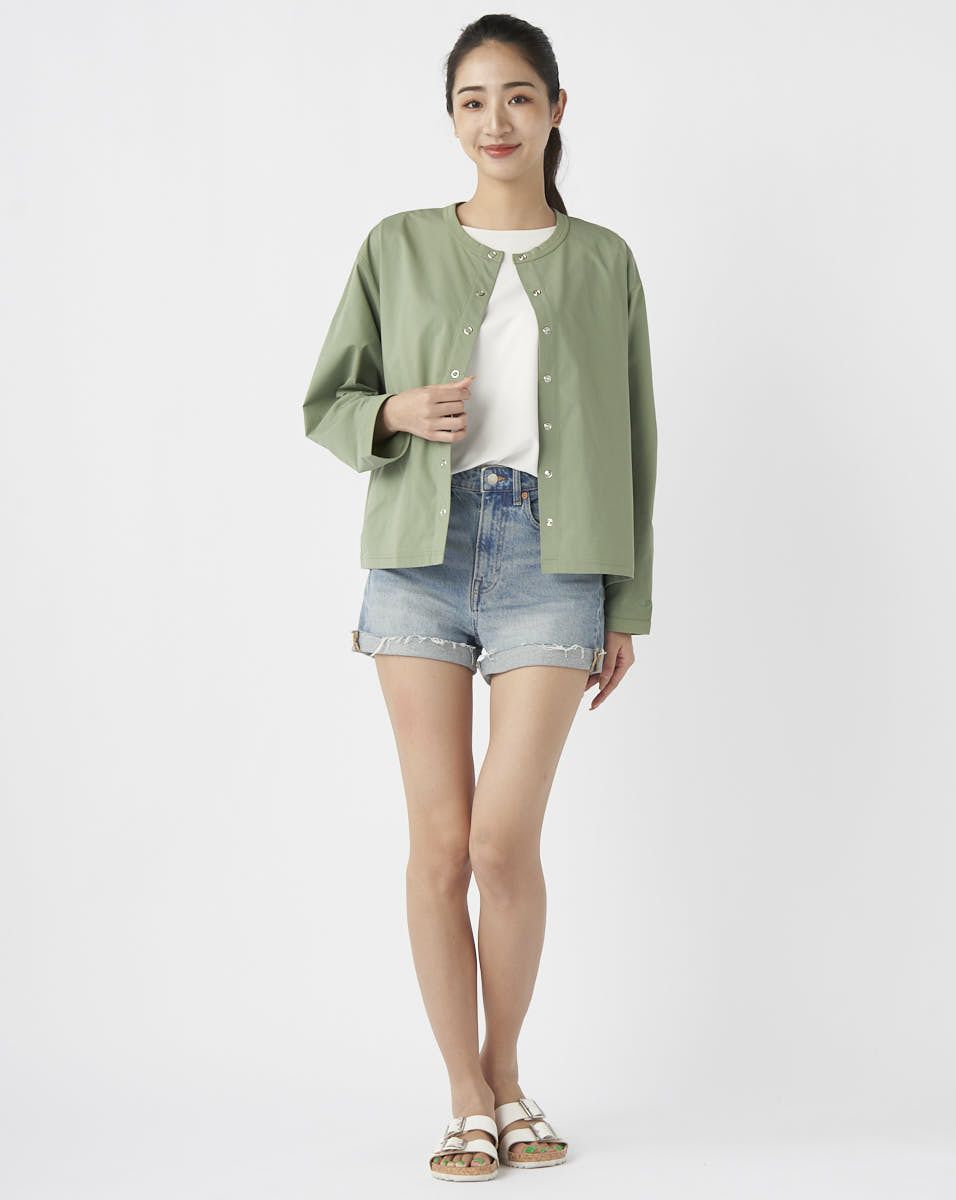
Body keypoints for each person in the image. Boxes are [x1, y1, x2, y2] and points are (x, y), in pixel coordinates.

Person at [302, 13, 658, 1182]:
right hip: (420, 552)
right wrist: (394, 412)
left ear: (555, 109)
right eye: (470, 100)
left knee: (504, 844)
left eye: (515, 97)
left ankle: (505, 1076)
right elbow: (326, 404)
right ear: (450, 117)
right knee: (441, 845)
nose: (493, 121)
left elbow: (636, 439)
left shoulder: (603, 261)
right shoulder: (396, 244)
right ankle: (465, 1094)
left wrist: (625, 605)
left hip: (554, 561)